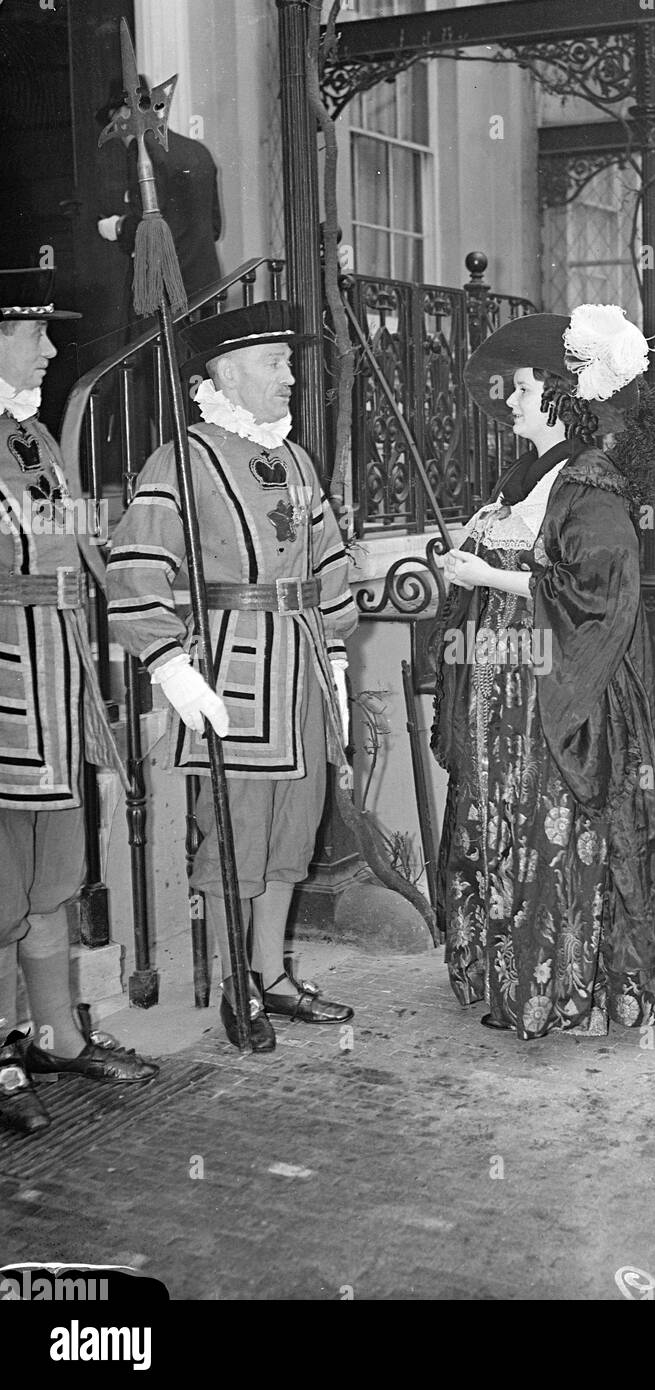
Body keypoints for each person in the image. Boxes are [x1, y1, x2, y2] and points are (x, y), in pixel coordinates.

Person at [431, 305, 655, 1041]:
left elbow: (603, 594)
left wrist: (488, 575)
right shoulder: (528, 476)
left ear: (556, 393)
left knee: (549, 823)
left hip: (552, 689)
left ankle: (559, 989)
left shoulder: (589, 484)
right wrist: (472, 573)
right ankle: (505, 976)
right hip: (504, 687)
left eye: (517, 390)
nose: (507, 402)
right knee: (502, 818)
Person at [106, 301, 357, 1052]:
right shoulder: (179, 460)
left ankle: (271, 974)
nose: (290, 377)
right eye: (275, 363)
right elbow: (137, 567)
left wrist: (336, 652)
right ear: (225, 373)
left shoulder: (295, 459)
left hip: (303, 662)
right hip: (235, 672)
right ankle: (232, 987)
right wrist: (172, 668)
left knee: (294, 825)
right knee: (235, 830)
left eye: (287, 362)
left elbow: (329, 558)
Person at [0, 268, 158, 1138]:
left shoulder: (36, 441)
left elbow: (80, 552)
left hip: (55, 694)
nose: (52, 349)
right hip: (4, 692)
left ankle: (56, 1036)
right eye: (33, 335)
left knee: (51, 880)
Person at [95, 77, 223, 303]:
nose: (117, 134)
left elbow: (146, 225)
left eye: (114, 123)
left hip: (165, 288)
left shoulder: (142, 150)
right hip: (206, 284)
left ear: (126, 112)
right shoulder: (198, 150)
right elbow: (214, 227)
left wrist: (116, 226)